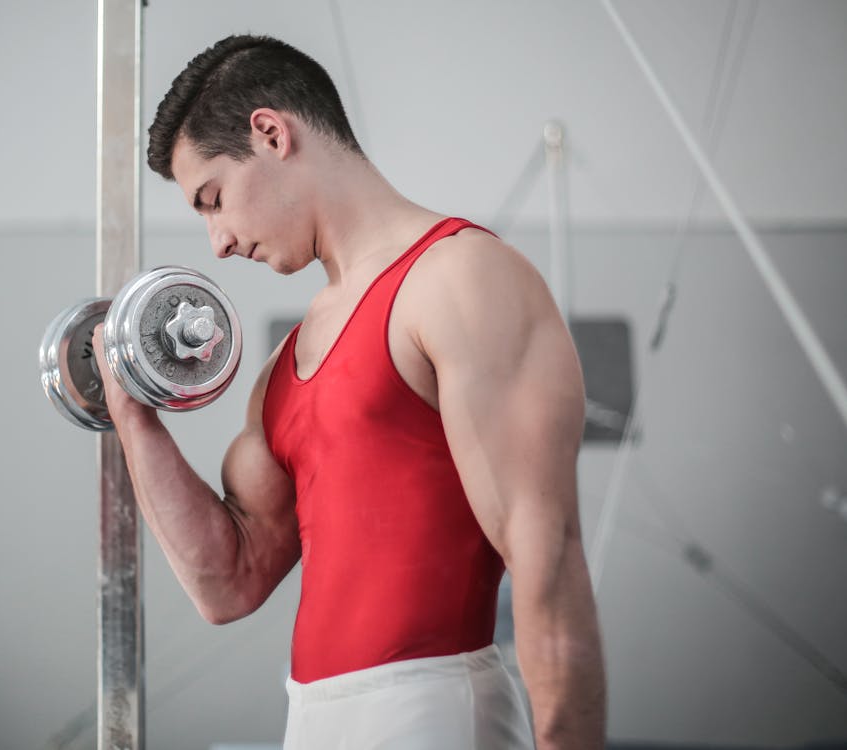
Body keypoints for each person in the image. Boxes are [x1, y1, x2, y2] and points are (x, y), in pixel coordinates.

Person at [92, 34, 605, 750]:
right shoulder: (282, 365)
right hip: (313, 718)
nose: (218, 243)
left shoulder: (460, 278)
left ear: (270, 133)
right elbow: (228, 583)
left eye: (213, 200)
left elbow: (547, 555)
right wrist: (131, 413)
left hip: (437, 712)